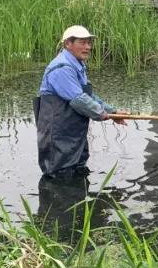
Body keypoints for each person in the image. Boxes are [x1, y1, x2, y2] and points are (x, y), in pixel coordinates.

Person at [35, 25, 125, 179]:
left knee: (78, 172)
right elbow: (79, 100)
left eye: (89, 43)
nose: (88, 47)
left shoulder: (76, 65)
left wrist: (113, 112)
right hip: (57, 136)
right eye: (82, 43)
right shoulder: (61, 68)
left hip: (73, 133)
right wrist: (102, 114)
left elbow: (88, 95)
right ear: (67, 44)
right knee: (59, 178)